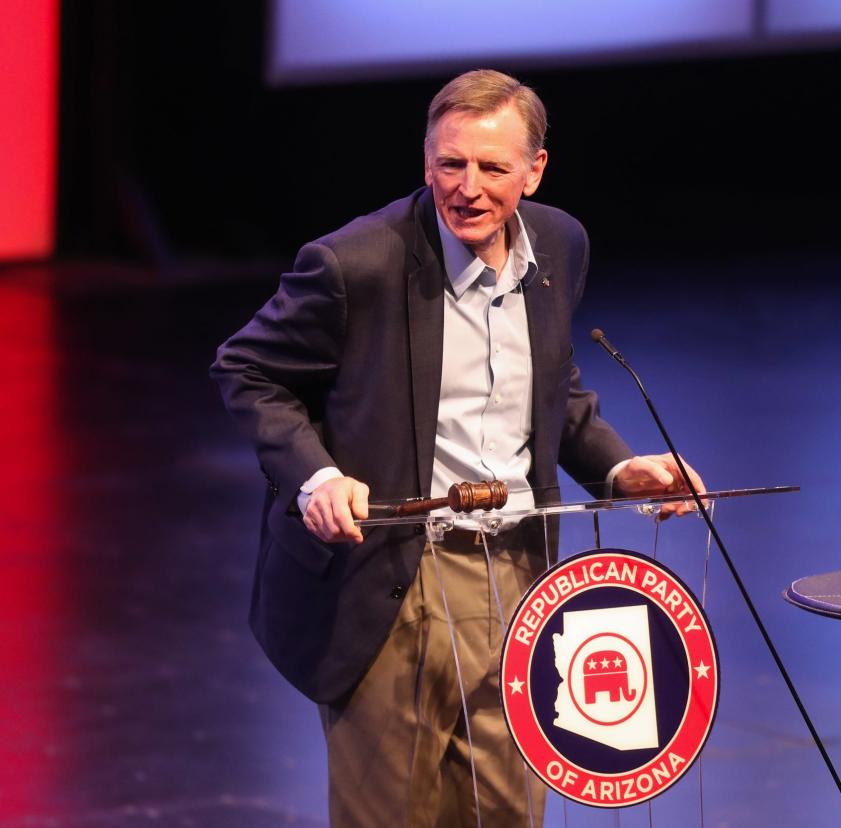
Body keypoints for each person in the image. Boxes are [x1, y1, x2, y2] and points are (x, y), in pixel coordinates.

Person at [211, 68, 703, 827]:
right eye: (451, 163)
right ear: (426, 159)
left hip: (519, 574)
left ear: (535, 170)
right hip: (390, 577)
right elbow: (247, 368)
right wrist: (316, 477)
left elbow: (549, 387)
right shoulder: (356, 265)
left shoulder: (559, 246)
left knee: (508, 811)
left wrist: (618, 465)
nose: (467, 187)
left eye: (492, 167)